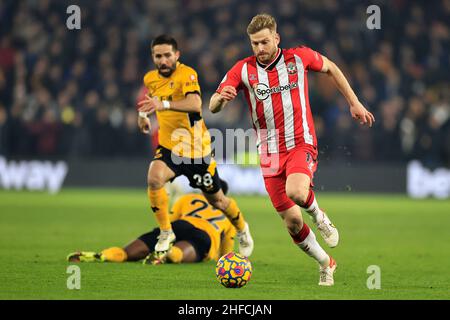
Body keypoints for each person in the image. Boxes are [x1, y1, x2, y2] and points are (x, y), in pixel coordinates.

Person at [209, 14, 375, 286]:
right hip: (269, 154)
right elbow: (214, 103)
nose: (260, 49)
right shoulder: (242, 70)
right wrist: (220, 99)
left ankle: (321, 217)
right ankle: (326, 263)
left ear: (276, 38)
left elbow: (332, 68)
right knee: (293, 224)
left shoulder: (299, 58)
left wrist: (354, 102)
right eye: (254, 44)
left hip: (301, 142)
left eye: (264, 42)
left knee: (297, 192)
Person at [136, 35, 253, 258]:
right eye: (158, 56)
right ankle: (166, 231)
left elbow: (195, 103)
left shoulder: (187, 74)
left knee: (217, 200)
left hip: (196, 152)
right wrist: (143, 115)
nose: (163, 60)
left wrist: (163, 104)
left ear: (176, 55)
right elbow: (150, 100)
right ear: (153, 57)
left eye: (167, 55)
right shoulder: (150, 78)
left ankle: (242, 228)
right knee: (154, 178)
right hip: (170, 147)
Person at [67, 180, 237, 264]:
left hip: (181, 224)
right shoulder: (229, 208)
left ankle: (101, 255)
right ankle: (165, 256)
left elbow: (169, 224)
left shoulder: (188, 198)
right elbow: (225, 254)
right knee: (178, 254)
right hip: (204, 236)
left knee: (127, 252)